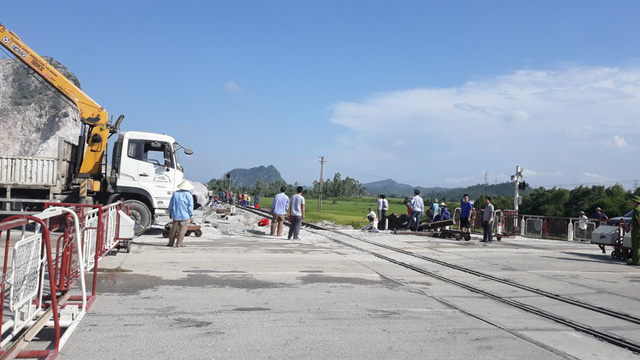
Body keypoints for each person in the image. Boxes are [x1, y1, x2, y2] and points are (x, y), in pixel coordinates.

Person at [167, 180, 194, 247]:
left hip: (175, 214)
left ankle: (170, 243)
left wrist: (170, 212)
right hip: (185, 215)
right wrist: (191, 216)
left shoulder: (175, 193)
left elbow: (171, 204)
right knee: (182, 231)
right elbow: (190, 206)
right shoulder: (189, 195)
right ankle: (179, 244)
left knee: (173, 229)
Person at [628, 195, 640, 266]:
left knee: (636, 246)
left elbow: (638, 220)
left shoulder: (636, 210)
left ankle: (636, 261)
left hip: (637, 230)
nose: (632, 203)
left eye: (633, 201)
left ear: (636, 202)